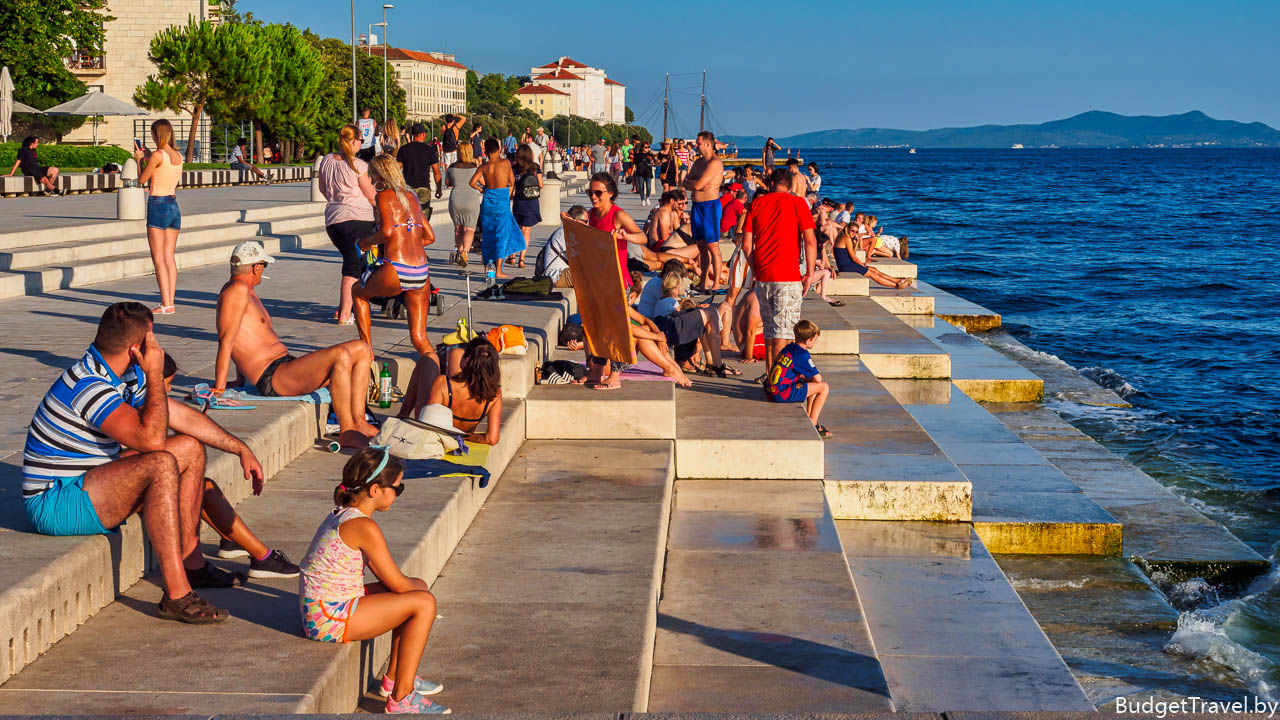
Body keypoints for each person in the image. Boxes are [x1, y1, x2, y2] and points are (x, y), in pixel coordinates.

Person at [22, 302, 268, 624]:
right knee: (161, 463)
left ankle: (192, 566)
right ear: (137, 346)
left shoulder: (119, 373)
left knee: (190, 448)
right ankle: (177, 595)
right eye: (153, 338)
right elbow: (150, 441)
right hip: (55, 502)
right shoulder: (87, 384)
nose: (157, 346)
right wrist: (154, 373)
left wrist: (240, 448)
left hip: (89, 478)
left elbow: (178, 416)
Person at [299, 448, 449, 714]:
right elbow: (399, 586)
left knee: (419, 591)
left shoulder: (344, 513)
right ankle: (401, 697)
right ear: (375, 490)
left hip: (323, 608)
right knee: (423, 603)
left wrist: (416, 588)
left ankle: (393, 679)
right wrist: (422, 596)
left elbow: (393, 581)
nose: (398, 493)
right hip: (328, 618)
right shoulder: (364, 527)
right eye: (397, 488)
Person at [214, 242, 379, 449]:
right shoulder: (237, 290)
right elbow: (226, 339)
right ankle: (347, 431)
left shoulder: (246, 291)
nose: (263, 271)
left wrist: (239, 379)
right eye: (264, 265)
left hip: (284, 367)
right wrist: (220, 387)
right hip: (273, 376)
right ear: (256, 267)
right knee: (341, 356)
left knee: (362, 348)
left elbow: (241, 338)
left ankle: (360, 422)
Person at [160, 354, 300, 580]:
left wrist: (241, 448)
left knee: (202, 485)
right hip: (106, 490)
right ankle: (256, 556)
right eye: (166, 385)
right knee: (192, 461)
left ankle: (245, 547)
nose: (168, 391)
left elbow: (184, 418)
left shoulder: (141, 396)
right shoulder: (125, 397)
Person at [353, 155, 437, 359]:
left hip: (397, 268)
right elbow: (430, 237)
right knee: (419, 337)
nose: (371, 182)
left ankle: (367, 354)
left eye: (372, 176)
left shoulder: (384, 196)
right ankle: (437, 372)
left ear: (379, 175)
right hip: (420, 271)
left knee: (358, 292)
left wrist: (365, 242)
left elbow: (388, 232)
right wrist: (409, 241)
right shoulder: (412, 197)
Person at [742, 168, 817, 371]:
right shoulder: (798, 203)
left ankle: (769, 376)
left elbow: (747, 245)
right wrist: (809, 273)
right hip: (788, 276)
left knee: (769, 332)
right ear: (791, 186)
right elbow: (810, 241)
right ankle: (777, 382)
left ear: (770, 183)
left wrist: (755, 268)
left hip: (764, 276)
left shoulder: (756, 204)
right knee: (782, 334)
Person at [318, 124, 377, 325]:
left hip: (334, 220)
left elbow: (323, 189)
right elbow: (371, 195)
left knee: (353, 261)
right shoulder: (359, 166)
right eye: (360, 140)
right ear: (353, 141)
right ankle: (344, 313)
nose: (361, 144)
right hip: (357, 218)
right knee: (353, 266)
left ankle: (345, 306)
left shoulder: (326, 160)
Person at [135, 119, 184, 315]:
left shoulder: (157, 155)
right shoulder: (177, 155)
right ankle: (170, 302)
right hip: (173, 205)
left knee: (158, 257)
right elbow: (162, 169)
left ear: (158, 134)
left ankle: (165, 303)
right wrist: (148, 155)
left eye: (153, 134)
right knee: (169, 257)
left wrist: (139, 159)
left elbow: (142, 179)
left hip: (158, 204)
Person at [426, 337, 503, 445]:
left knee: (427, 361)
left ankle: (403, 414)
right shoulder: (495, 393)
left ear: (467, 359)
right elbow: (492, 439)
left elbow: (428, 423)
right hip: (463, 433)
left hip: (440, 436)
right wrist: (466, 436)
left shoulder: (443, 383)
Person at [469, 137, 525, 278]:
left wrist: (482, 189)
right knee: (501, 235)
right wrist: (510, 192)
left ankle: (488, 268)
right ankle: (498, 269)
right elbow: (512, 181)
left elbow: (472, 182)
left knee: (488, 235)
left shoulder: (484, 166)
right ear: (499, 150)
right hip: (501, 200)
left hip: (488, 200)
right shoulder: (505, 162)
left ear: (485, 151)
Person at [764, 320, 831, 437]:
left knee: (811, 382)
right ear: (808, 340)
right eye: (815, 340)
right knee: (823, 387)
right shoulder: (802, 354)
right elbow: (818, 379)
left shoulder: (789, 348)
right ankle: (814, 424)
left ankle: (810, 418)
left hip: (773, 390)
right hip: (781, 394)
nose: (815, 342)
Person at [683, 131, 726, 292]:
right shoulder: (699, 162)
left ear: (708, 144)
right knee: (701, 245)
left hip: (710, 207)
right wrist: (692, 183)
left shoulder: (714, 163)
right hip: (697, 206)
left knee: (712, 245)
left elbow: (696, 185)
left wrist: (692, 183)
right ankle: (704, 281)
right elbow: (686, 181)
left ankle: (715, 283)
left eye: (698, 143)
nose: (696, 145)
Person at [831, 226, 913, 288]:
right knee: (872, 274)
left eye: (856, 232)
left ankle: (898, 281)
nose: (854, 233)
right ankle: (896, 285)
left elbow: (852, 254)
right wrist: (862, 265)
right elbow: (853, 257)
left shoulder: (845, 237)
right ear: (847, 229)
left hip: (847, 263)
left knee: (874, 269)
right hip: (846, 266)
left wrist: (855, 243)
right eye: (852, 231)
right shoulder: (846, 238)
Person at [445, 142, 481, 267]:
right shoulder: (475, 167)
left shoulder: (452, 167)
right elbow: (481, 182)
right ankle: (465, 251)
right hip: (471, 199)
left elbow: (448, 183)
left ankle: (460, 252)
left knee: (458, 229)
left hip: (456, 199)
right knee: (470, 228)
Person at [509, 144, 543, 269]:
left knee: (516, 229)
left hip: (519, 202)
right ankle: (522, 259)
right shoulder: (535, 167)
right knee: (526, 231)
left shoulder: (515, 169)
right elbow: (541, 184)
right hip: (531, 202)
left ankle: (512, 256)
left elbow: (512, 186)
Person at [540, 205, 587, 288]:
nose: (587, 225)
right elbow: (579, 259)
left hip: (562, 273)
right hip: (556, 276)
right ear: (578, 221)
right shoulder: (564, 232)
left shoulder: (569, 232)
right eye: (586, 221)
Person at [397, 123, 442, 205]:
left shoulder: (403, 149)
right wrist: (439, 188)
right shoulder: (429, 150)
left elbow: (396, 170)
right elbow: (437, 172)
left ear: (412, 135)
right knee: (424, 216)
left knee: (409, 215)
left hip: (408, 188)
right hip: (424, 188)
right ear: (423, 134)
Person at [632, 141, 655, 205]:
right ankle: (642, 199)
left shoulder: (650, 154)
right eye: (646, 147)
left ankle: (647, 197)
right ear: (642, 148)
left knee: (648, 187)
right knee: (641, 187)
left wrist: (652, 161)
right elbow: (634, 163)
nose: (647, 148)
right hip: (640, 172)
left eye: (648, 147)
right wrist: (632, 173)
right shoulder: (638, 155)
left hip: (648, 172)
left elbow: (654, 163)